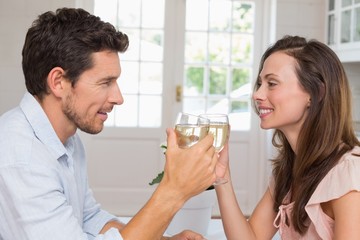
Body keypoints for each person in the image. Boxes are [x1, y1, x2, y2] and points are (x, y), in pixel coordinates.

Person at [0, 8, 220, 240]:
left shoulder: (66, 140)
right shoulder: (22, 159)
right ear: (58, 82)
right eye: (105, 82)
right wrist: (173, 190)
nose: (118, 97)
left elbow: (89, 218)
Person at [215, 35, 360, 239]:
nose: (257, 94)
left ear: (315, 93)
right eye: (260, 84)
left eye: (272, 83)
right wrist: (222, 177)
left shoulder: (349, 174)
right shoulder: (289, 172)